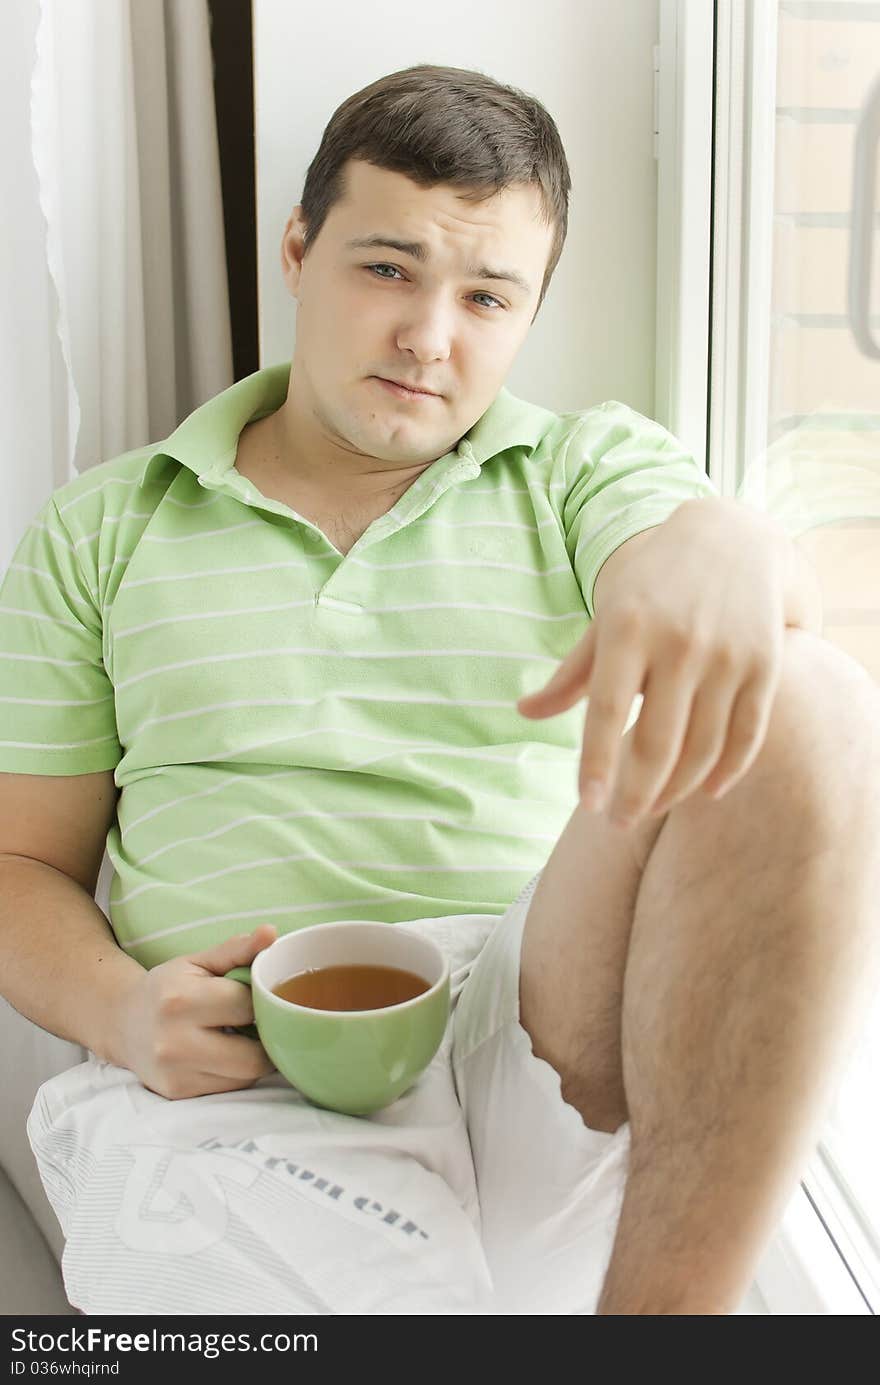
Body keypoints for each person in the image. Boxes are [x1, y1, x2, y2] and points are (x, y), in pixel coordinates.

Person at [1, 63, 878, 1317]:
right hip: (241, 1078)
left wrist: (731, 541)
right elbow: (18, 863)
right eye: (387, 269)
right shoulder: (102, 527)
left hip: (532, 1037)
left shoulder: (580, 468)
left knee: (819, 701)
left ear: (528, 315)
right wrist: (123, 1012)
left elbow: (702, 577)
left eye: (487, 295)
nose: (431, 335)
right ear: (297, 251)